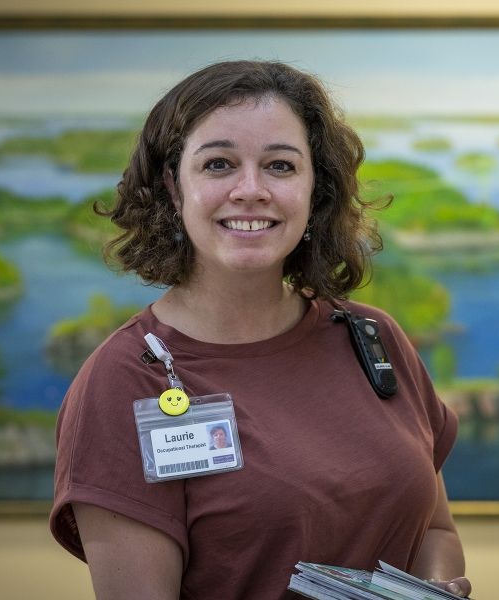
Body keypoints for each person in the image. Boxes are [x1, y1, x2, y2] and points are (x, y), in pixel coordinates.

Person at [49, 59, 471, 600]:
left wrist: (433, 590)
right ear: (174, 189)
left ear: (315, 190)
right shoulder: (125, 382)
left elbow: (434, 530)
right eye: (219, 164)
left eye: (280, 166)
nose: (251, 190)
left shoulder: (373, 338)